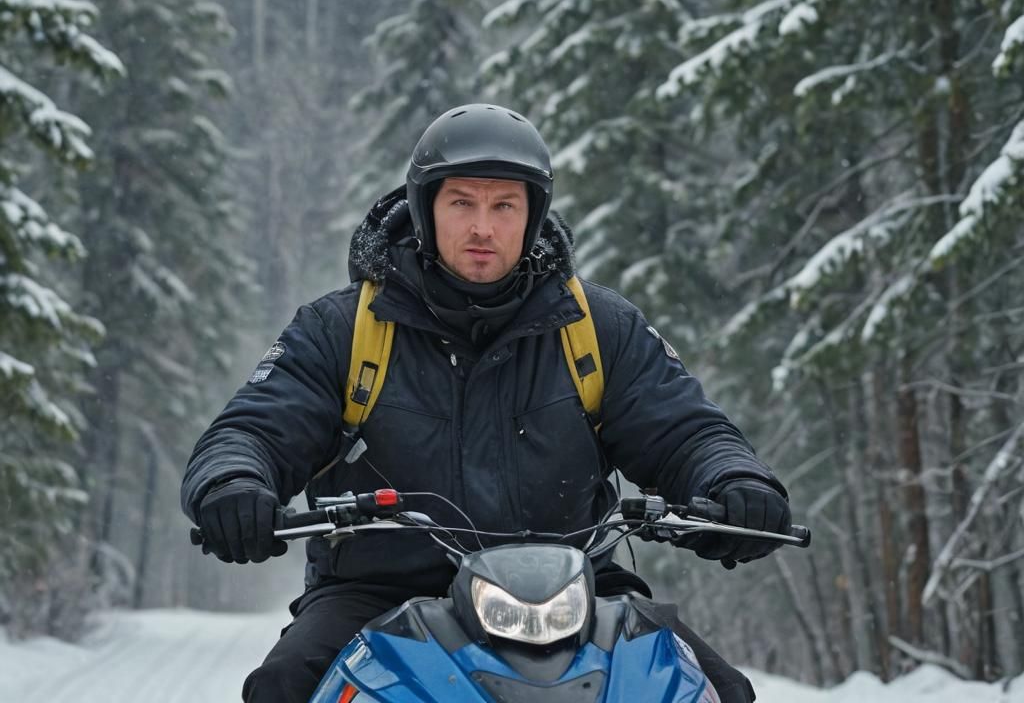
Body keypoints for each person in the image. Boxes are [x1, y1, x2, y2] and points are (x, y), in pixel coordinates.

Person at [181, 103, 792, 703]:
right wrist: (233, 484)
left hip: (576, 593)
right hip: (379, 590)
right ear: (425, 210)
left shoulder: (597, 327)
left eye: (504, 206)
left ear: (532, 216)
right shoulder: (343, 330)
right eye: (462, 203)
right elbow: (253, 429)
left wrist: (735, 481)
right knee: (285, 684)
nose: (483, 227)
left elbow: (685, 431)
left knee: (716, 689)